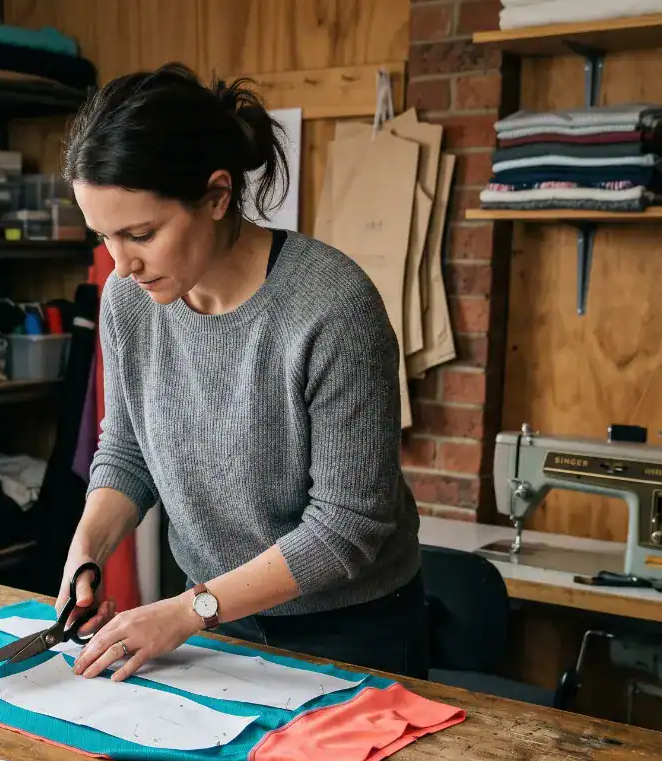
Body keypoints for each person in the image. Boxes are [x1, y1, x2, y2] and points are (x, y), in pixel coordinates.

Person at [57, 62, 428, 683]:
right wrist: (86, 549)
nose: (122, 264)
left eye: (141, 233)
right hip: (208, 622)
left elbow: (348, 526)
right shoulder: (130, 299)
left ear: (218, 196)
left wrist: (188, 609)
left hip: (348, 629)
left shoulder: (331, 307)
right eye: (104, 238)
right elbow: (128, 451)